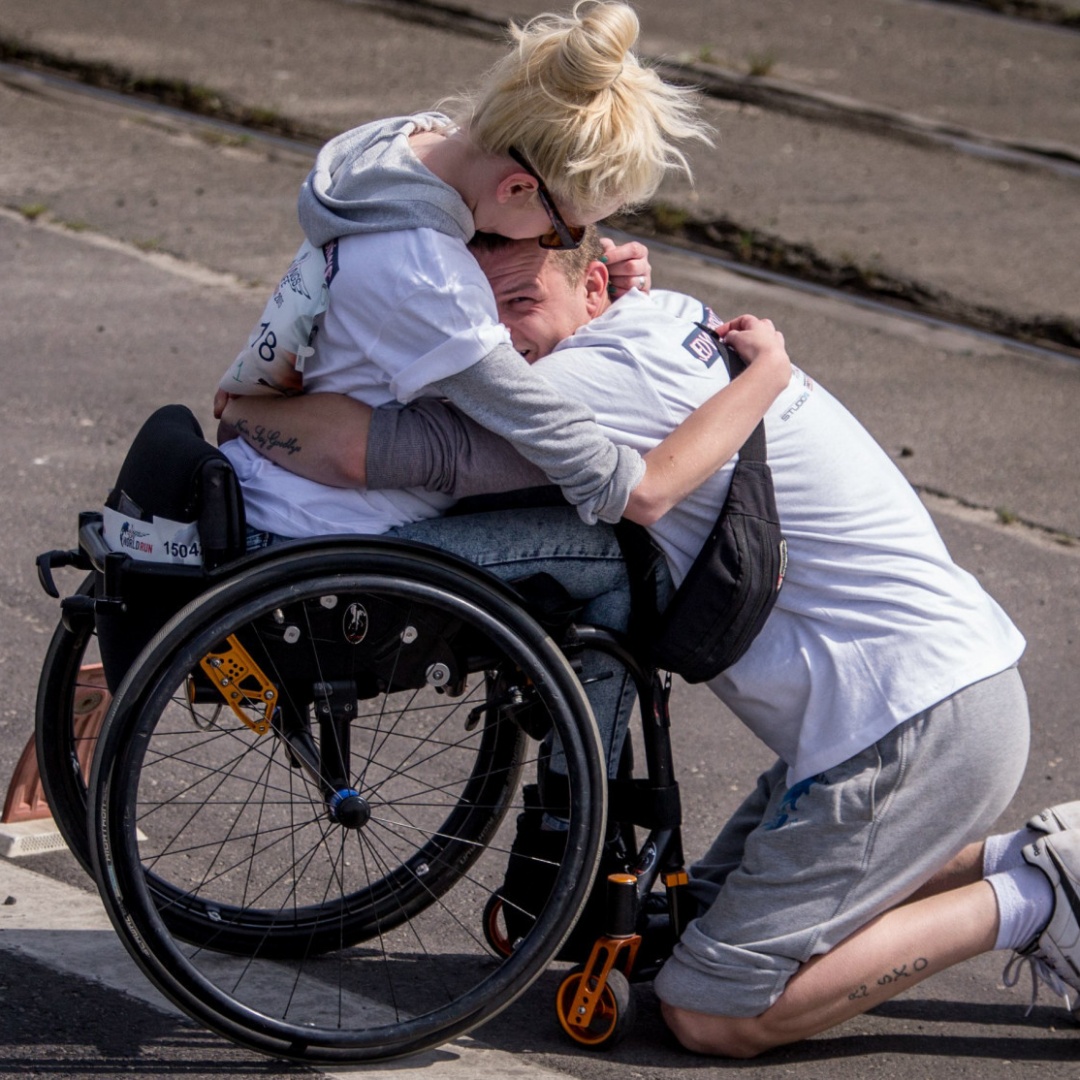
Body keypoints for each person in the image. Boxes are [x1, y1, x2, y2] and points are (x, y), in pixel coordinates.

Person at [218, 229, 1080, 1058]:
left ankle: (1034, 901)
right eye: (484, 313)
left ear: (594, 287)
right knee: (686, 928)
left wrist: (246, 407)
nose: (501, 339)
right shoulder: (653, 316)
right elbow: (563, 252)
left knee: (712, 1011)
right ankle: (1037, 859)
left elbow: (392, 451)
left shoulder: (604, 374)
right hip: (908, 710)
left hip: (912, 728)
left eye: (520, 303)